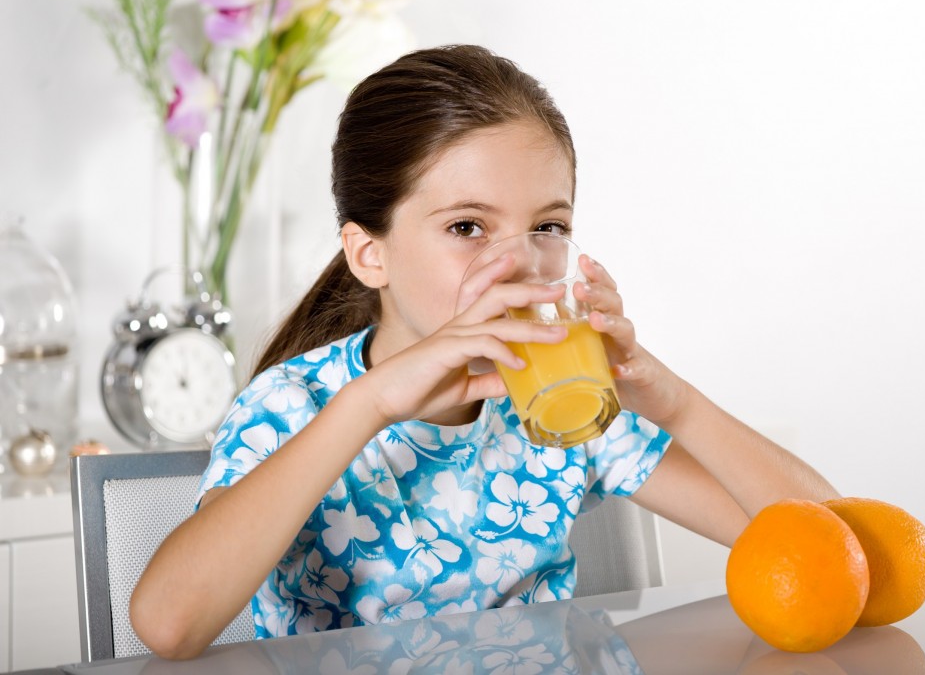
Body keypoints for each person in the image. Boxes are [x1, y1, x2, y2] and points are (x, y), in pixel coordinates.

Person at [130, 44, 839, 660]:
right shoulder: (296, 406)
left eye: (547, 226)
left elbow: (835, 547)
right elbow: (169, 625)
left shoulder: (562, 404)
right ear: (369, 254)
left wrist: (671, 402)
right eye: (467, 227)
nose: (517, 265)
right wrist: (371, 403)